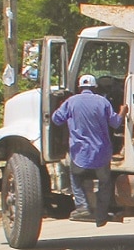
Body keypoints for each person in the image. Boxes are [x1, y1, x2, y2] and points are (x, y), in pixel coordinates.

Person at [50, 74, 125, 224]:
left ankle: (82, 206)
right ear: (95, 87)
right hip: (101, 154)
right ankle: (102, 214)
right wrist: (123, 111)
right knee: (105, 182)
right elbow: (116, 123)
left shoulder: (71, 102)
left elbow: (56, 119)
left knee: (75, 177)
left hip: (80, 154)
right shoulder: (103, 102)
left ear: (79, 88)